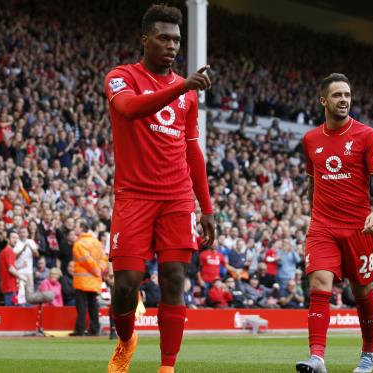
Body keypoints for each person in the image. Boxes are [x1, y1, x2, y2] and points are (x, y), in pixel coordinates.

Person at [103, 4, 215, 373]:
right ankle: (126, 340)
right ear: (145, 39)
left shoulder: (189, 94)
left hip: (177, 196)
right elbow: (130, 109)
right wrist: (181, 86)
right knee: (126, 284)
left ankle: (167, 367)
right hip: (133, 196)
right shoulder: (121, 77)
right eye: (164, 38)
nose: (171, 46)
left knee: (175, 277)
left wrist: (207, 208)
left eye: (177, 40)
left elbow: (192, 150)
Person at [296, 73, 373, 373]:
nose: (344, 100)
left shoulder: (366, 135)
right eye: (337, 95)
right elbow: (312, 182)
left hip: (358, 228)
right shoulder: (310, 139)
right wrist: (313, 216)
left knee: (362, 292)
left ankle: (368, 354)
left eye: (347, 95)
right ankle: (317, 357)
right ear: (324, 100)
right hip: (323, 226)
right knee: (318, 284)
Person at [71, 222, 107, 336]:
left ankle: (80, 330)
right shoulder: (96, 242)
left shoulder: (79, 243)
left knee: (81, 307)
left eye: (76, 227)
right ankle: (94, 330)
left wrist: (96, 270)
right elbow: (104, 258)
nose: (74, 229)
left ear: (82, 228)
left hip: (82, 280)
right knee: (93, 307)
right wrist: (99, 269)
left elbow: (85, 260)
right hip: (94, 280)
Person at [0, 231, 25, 306]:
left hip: (9, 286)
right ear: (7, 239)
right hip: (10, 287)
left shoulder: (6, 251)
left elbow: (9, 267)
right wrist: (22, 277)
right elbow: (10, 269)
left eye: (17, 238)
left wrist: (19, 267)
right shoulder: (8, 251)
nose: (15, 240)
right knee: (11, 313)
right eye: (13, 238)